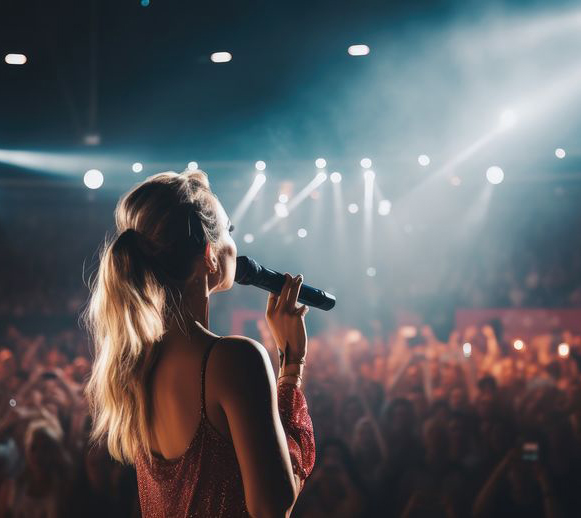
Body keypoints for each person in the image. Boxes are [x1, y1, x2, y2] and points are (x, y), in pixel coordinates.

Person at [82, 170, 316, 517]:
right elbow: (273, 507)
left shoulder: (136, 365)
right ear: (209, 254)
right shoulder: (235, 360)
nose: (235, 246)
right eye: (229, 231)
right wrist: (292, 363)